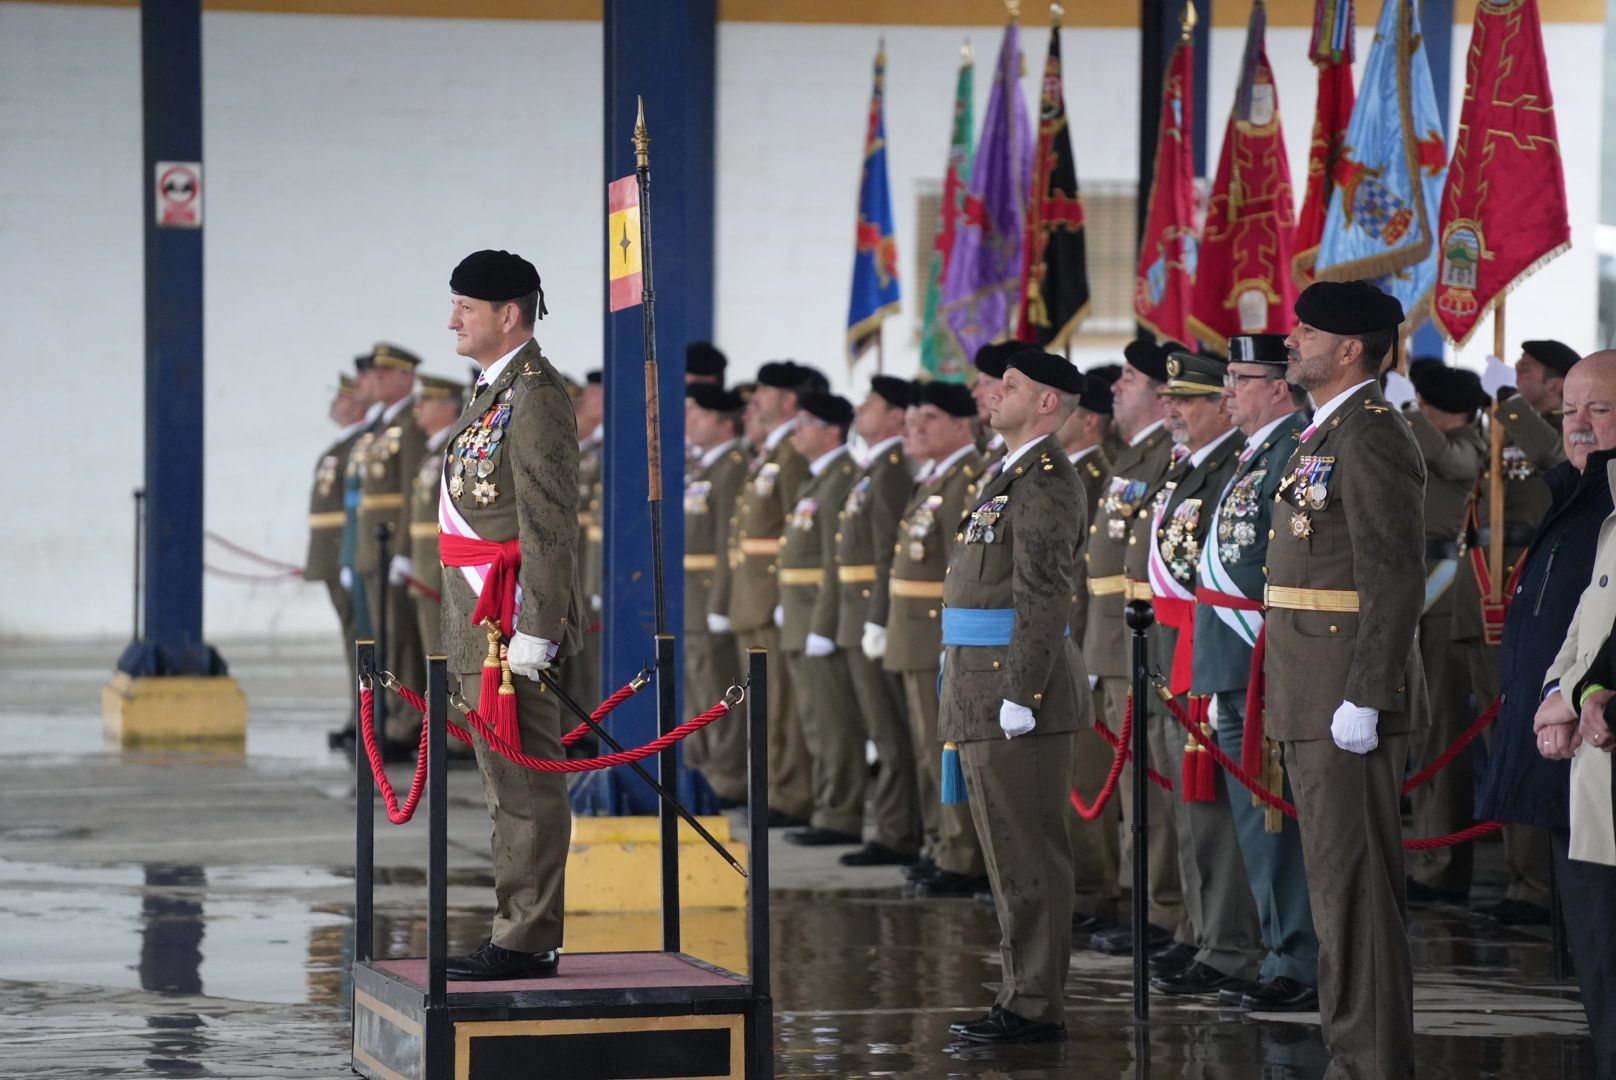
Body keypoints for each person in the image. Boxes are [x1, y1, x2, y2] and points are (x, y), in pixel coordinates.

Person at [1269, 279, 1426, 1080]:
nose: (1290, 339)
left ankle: (1370, 1061)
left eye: (1307, 330)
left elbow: (1393, 577)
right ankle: (1351, 1051)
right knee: (1334, 890)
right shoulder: (1322, 432)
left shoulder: (1370, 436)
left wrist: (1367, 692)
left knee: (1356, 894)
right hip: (1310, 689)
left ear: (1351, 348)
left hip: (1342, 697)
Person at [437, 249, 584, 980]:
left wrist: (538, 627)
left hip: (509, 630)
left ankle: (527, 939)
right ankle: (516, 926)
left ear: (508, 315)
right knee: (505, 789)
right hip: (480, 624)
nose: (453, 319)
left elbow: (549, 522)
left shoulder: (535, 396)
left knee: (526, 788)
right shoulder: (491, 392)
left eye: (466, 306)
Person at [942, 350, 1091, 1044]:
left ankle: (1035, 1003)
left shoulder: (1048, 479)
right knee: (1006, 855)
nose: (993, 394)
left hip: (1013, 689)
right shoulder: (1007, 471)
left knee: (1029, 853)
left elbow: (1042, 592)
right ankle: (1020, 991)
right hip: (980, 685)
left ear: (1046, 404)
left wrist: (1023, 691)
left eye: (1012, 386)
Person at [1488, 349, 1616, 1079]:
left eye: (1598, 410)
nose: (1578, 426)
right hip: (1567, 747)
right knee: (1591, 954)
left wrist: (1577, 696)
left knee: (1605, 946)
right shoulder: (1576, 491)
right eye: (1568, 411)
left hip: (1597, 751)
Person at [1191, 333, 1320, 1011]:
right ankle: (1278, 951)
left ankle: (1296, 958)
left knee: (1276, 822)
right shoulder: (1253, 456)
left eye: (1239, 379)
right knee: (1254, 822)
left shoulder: (1292, 452)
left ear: (1277, 386)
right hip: (1233, 659)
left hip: (1263, 659)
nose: (1227, 393)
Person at [1142, 349, 1261, 995]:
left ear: (1222, 402)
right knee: (1188, 812)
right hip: (1175, 651)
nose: (1173, 410)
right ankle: (1201, 930)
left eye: (1186, 399)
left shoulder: (1226, 471)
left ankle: (1228, 944)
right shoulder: (1192, 467)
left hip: (1206, 651)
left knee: (1214, 813)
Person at [1461, 339, 1577, 924]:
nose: (1514, 375)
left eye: (1527, 371)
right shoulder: (1505, 426)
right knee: (1502, 739)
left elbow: (1558, 459)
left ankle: (1539, 883)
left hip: (1535, 590)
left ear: (1555, 385)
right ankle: (1522, 878)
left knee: (1536, 737)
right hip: (1491, 585)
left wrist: (1508, 404)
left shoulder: (1558, 429)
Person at [1084, 339, 1185, 958]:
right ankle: (1147, 903)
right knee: (1133, 787)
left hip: (1143, 643)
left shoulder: (1163, 459)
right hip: (1115, 642)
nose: (1117, 387)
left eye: (1129, 377)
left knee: (1153, 785)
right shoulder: (1132, 458)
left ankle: (1164, 910)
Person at [884, 382, 989, 897]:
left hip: (937, 630)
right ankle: (938, 842)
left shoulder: (967, 478)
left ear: (961, 425)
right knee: (928, 749)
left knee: (944, 749)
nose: (916, 427)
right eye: (914, 417)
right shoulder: (935, 479)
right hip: (913, 630)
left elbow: (960, 566)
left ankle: (960, 854)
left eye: (929, 418)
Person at [1390, 362, 1489, 905]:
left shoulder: (1471, 444)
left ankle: (1443, 865)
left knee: (1439, 733)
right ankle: (1428, 857)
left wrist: (1410, 412)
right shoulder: (1425, 440)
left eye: (1423, 403)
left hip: (1446, 597)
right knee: (1414, 731)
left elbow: (1453, 462)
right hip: (1411, 589)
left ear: (1442, 409)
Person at [837, 375, 921, 867]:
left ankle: (896, 832)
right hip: (858, 613)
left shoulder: (891, 470)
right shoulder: (874, 468)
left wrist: (879, 617)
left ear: (894, 416)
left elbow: (889, 551)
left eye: (871, 402)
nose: (860, 408)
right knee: (880, 729)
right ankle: (895, 825)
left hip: (875, 612)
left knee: (890, 734)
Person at [729, 362, 814, 826]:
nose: (756, 399)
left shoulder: (793, 454)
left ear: (786, 400)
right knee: (766, 702)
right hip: (755, 595)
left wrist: (783, 592)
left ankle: (791, 792)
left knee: (784, 705)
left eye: (764, 390)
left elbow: (795, 531)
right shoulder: (773, 452)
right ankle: (772, 787)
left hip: (774, 596)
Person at [778, 392, 864, 846]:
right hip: (799, 613)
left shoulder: (841, 478)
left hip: (818, 618)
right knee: (814, 720)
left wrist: (823, 626)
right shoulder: (819, 478)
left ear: (832, 430)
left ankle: (841, 813)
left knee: (834, 724)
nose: (798, 430)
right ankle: (826, 804)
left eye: (807, 421)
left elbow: (836, 562)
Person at [1060, 371, 1120, 932]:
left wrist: (1079, 650)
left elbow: (1086, 576)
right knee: (1072, 777)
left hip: (1084, 644)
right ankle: (1084, 887)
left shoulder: (1098, 477)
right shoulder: (1064, 475)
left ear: (1090, 421)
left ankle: (1102, 891)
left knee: (1092, 775)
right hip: (1064, 645)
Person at [355, 342, 429, 751]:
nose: (377, 380)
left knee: (401, 639)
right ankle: (392, 715)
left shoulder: (409, 426)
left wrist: (402, 549)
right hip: (372, 545)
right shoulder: (384, 426)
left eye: (386, 373)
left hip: (391, 545)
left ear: (406, 378)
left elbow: (410, 493)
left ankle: (409, 720)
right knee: (383, 635)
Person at [682, 384, 750, 805]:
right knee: (697, 685)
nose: (690, 419)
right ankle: (701, 766)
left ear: (724, 422)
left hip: (709, 597)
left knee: (718, 687)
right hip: (691, 596)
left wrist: (721, 602)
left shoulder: (732, 467)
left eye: (699, 412)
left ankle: (726, 774)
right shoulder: (704, 467)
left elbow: (729, 541)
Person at [306, 373, 372, 739]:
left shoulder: (357, 445)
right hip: (332, 557)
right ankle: (358, 714)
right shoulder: (343, 445)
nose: (335, 403)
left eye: (343, 397)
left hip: (343, 556)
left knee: (359, 638)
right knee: (352, 640)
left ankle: (363, 716)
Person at [407, 374, 466, 657]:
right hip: (425, 563)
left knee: (445, 654)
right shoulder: (432, 451)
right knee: (432, 650)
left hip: (441, 565)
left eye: (427, 400)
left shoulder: (454, 449)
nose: (418, 405)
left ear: (449, 407)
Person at [564, 370, 604, 732]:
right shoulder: (587, 451)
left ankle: (591, 724)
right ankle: (579, 722)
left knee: (591, 649)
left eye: (589, 398)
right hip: (573, 561)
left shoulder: (603, 452)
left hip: (588, 562)